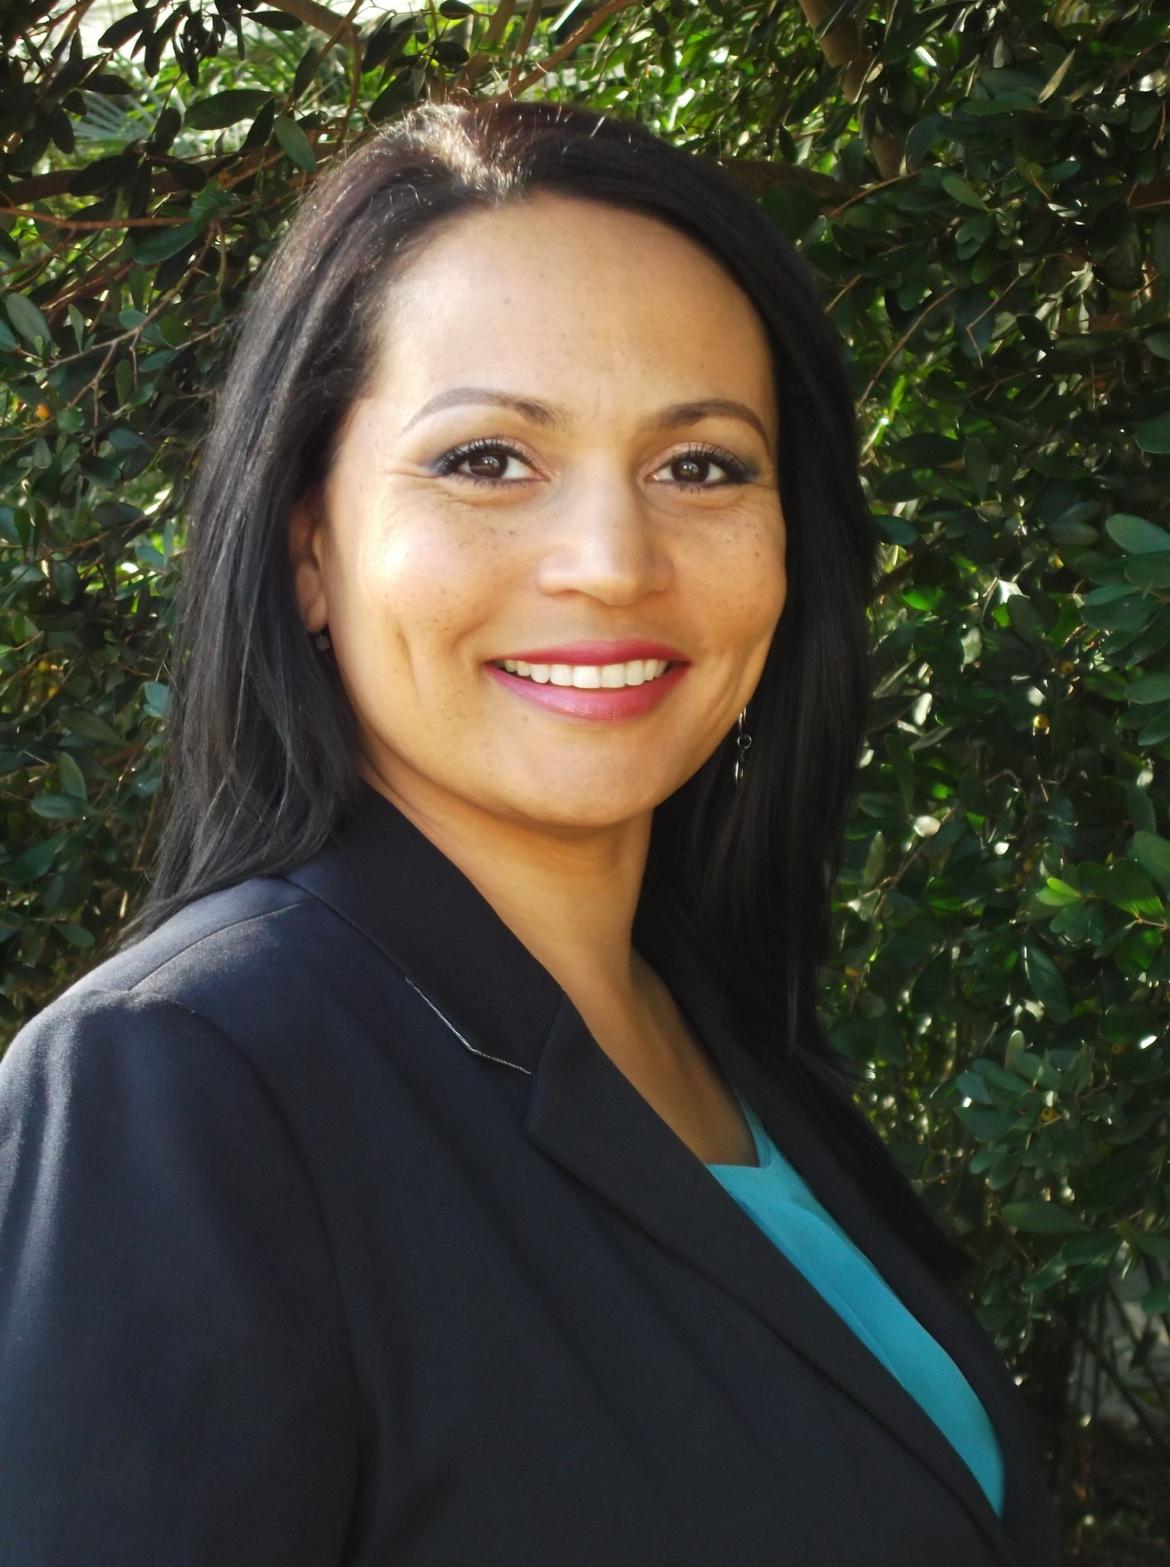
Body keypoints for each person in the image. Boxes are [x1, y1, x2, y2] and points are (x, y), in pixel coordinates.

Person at [0, 98, 1058, 1565]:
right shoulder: (184, 1084)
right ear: (309, 546)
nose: (611, 564)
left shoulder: (714, 1028)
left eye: (699, 466)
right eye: (487, 459)